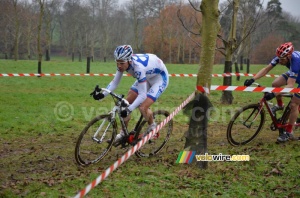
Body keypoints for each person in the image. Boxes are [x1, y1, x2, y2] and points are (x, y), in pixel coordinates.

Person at [92, 45, 169, 142]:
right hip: (147, 76)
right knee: (125, 103)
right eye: (117, 62)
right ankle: (123, 134)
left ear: (129, 60)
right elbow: (115, 82)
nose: (119, 65)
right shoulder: (123, 62)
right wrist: (102, 94)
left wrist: (129, 109)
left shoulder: (138, 68)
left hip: (159, 79)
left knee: (142, 107)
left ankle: (153, 127)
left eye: (122, 63)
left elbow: (142, 95)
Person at [245, 42, 300, 142]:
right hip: (295, 73)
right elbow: (266, 69)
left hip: (297, 73)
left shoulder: (295, 62)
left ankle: (288, 132)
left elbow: (290, 85)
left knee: (294, 104)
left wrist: (274, 94)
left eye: (282, 59)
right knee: (275, 84)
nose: (280, 61)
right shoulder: (281, 57)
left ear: (289, 56)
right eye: (279, 58)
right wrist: (253, 79)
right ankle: (280, 105)